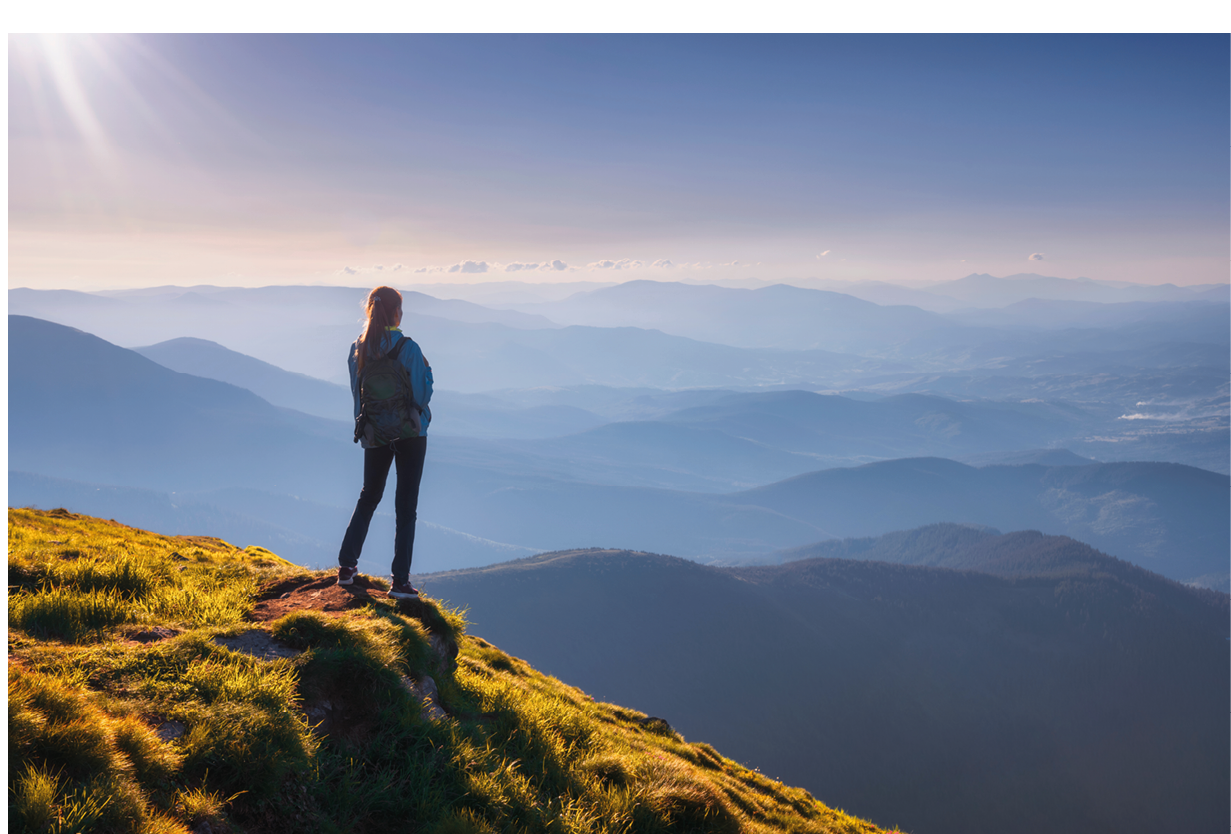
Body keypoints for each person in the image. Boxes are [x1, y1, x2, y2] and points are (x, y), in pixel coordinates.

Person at [337, 286, 433, 598]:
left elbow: (357, 392)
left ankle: (346, 567)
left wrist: (364, 427)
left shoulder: (358, 348)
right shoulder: (408, 348)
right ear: (395, 313)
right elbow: (422, 394)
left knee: (369, 495)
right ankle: (400, 582)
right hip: (410, 433)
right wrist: (427, 372)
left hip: (375, 432)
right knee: (406, 505)